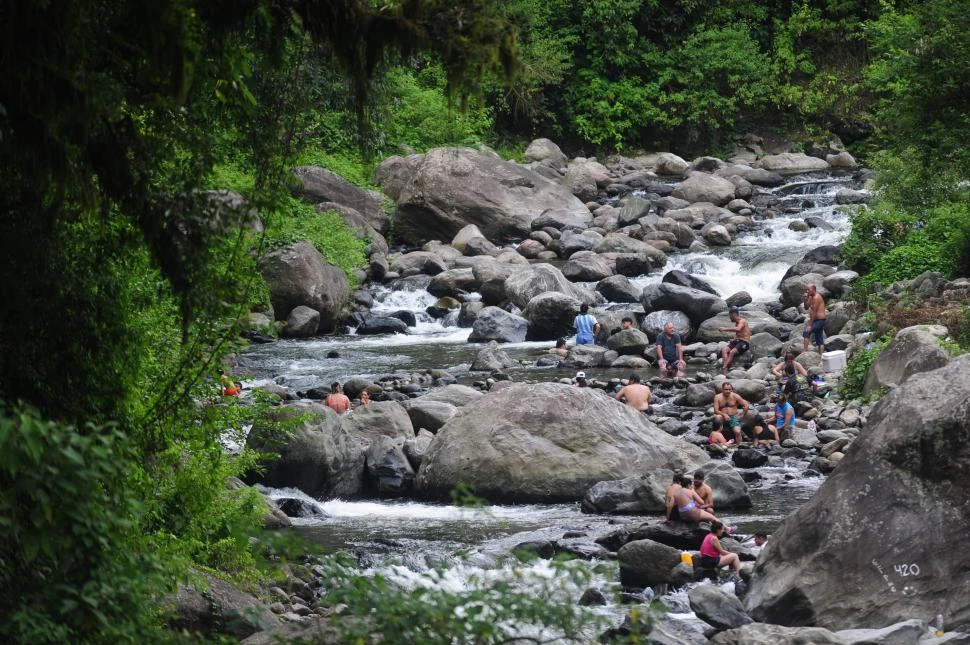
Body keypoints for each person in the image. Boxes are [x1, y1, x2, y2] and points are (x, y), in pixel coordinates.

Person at [719, 307, 751, 375]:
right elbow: (738, 334)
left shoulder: (742, 321)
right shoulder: (736, 323)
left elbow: (738, 329)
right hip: (738, 341)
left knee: (732, 352)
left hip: (744, 342)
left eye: (730, 316)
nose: (730, 318)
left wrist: (725, 329)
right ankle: (726, 367)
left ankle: (724, 368)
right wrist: (733, 339)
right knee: (724, 350)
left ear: (734, 315)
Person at [802, 284, 827, 355]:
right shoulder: (811, 297)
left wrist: (810, 325)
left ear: (813, 289)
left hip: (820, 320)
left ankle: (805, 351)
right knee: (819, 338)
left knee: (806, 332)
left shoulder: (816, 297)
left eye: (808, 290)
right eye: (806, 290)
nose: (807, 291)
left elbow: (814, 312)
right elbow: (806, 307)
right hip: (817, 320)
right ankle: (821, 356)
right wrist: (805, 299)